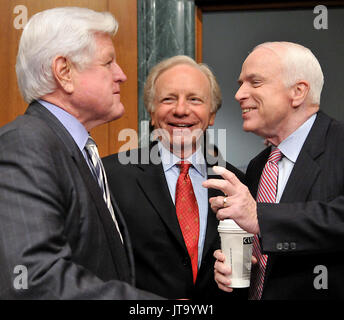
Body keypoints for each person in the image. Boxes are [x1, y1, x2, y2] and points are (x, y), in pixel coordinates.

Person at [0, 7, 162, 299]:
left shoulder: (73, 147)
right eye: (108, 62)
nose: (121, 75)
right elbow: (34, 279)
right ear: (64, 72)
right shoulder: (26, 143)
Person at [203, 41, 344, 300]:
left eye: (254, 83)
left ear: (298, 92)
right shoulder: (259, 166)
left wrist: (260, 218)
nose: (239, 94)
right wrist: (233, 270)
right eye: (240, 84)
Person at [103, 55, 246, 300]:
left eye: (194, 99)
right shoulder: (111, 175)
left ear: (211, 114)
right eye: (168, 99)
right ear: (151, 110)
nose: (181, 110)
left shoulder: (236, 184)